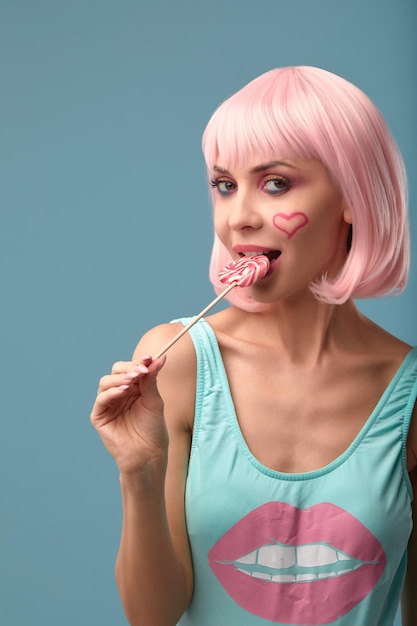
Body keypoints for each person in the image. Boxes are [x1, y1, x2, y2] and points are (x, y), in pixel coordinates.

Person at [90, 66, 417, 626]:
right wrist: (138, 474)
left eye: (275, 184)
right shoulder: (178, 360)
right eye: (224, 185)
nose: (238, 217)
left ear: (352, 196)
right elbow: (152, 616)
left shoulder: (407, 389)